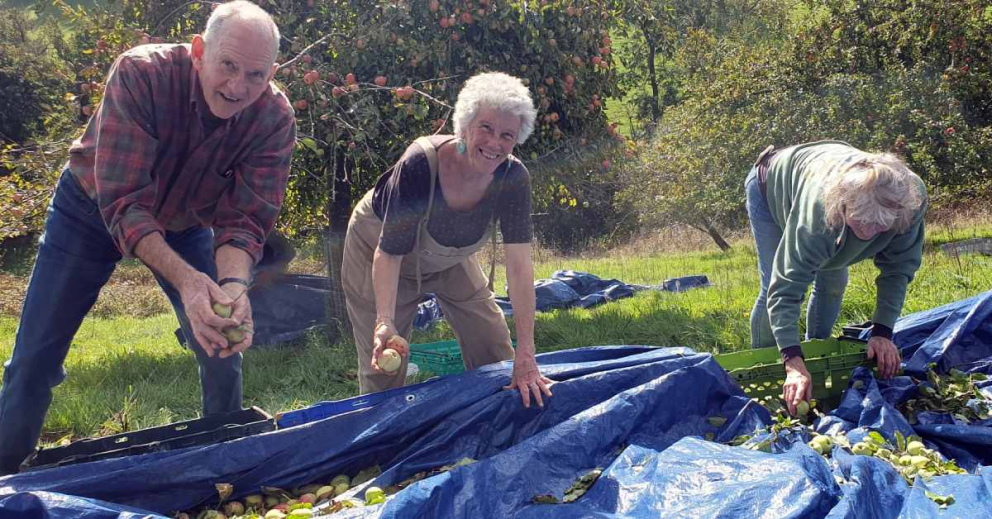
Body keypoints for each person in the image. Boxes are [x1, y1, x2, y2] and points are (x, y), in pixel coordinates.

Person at [0, 0, 295, 474]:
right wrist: (189, 280)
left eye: (256, 75)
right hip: (91, 209)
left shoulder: (274, 120)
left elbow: (245, 220)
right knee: (35, 358)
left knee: (220, 346)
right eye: (228, 65)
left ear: (273, 72)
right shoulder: (141, 74)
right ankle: (6, 479)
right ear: (200, 50)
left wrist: (234, 287)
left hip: (186, 224)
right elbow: (125, 205)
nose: (238, 87)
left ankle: (223, 471)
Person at [341, 72, 553, 408]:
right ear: (465, 124)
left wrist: (526, 353)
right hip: (380, 252)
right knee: (385, 361)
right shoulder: (420, 165)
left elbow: (520, 268)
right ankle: (383, 446)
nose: (494, 143)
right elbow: (390, 253)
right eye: (486, 127)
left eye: (507, 135)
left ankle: (496, 424)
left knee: (495, 349)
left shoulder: (513, 179)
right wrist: (385, 321)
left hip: (449, 258)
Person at [745, 140, 927, 415]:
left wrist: (882, 333)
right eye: (861, 221)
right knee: (771, 279)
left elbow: (898, 270)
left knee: (833, 283)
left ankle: (816, 357)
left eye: (878, 225)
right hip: (769, 185)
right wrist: (791, 361)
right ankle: (770, 368)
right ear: (843, 205)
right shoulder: (817, 213)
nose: (867, 233)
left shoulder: (909, 203)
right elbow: (785, 289)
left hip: (826, 192)